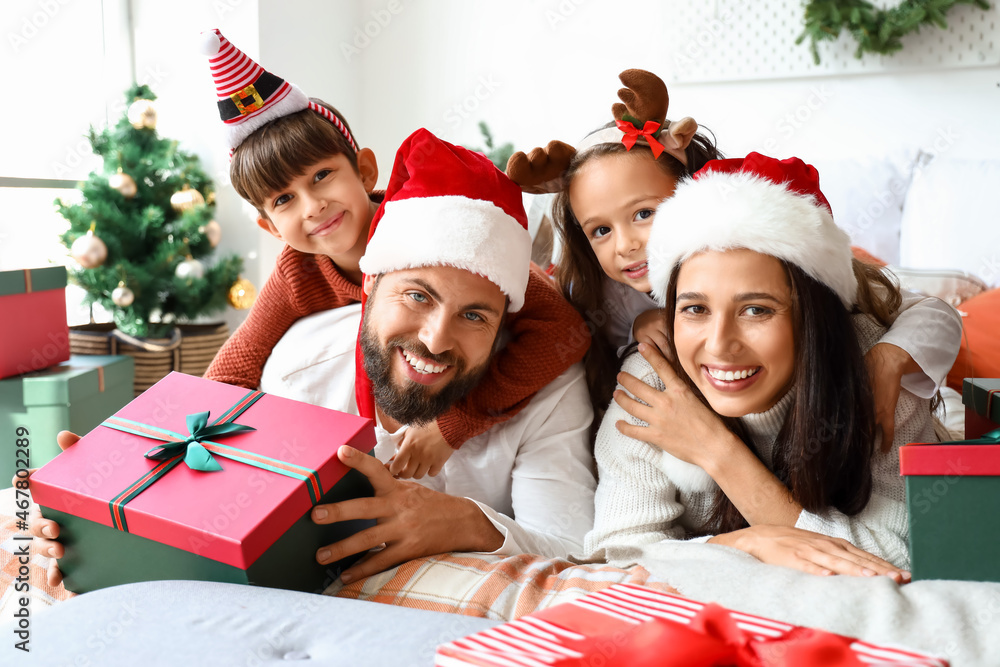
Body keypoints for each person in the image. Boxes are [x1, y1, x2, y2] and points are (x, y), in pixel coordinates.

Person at [30, 129, 597, 588]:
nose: (435, 338)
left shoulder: (548, 377)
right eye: (416, 295)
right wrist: (124, 472)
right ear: (368, 285)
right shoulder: (297, 365)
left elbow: (575, 551)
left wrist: (464, 519)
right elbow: (220, 405)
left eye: (475, 315)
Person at [198, 29, 589, 479]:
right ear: (269, 227)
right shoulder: (296, 272)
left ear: (365, 170)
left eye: (322, 176)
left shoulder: (435, 228)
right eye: (284, 200)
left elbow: (565, 329)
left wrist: (454, 424)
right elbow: (232, 370)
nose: (312, 207)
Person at [506, 69, 961, 445]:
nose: (625, 244)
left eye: (644, 213)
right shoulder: (606, 295)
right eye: (600, 230)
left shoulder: (773, 256)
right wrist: (634, 327)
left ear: (698, 193)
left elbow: (936, 312)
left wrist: (889, 356)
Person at [585, 153, 946, 581]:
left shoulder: (877, 374)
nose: (719, 345)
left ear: (814, 318)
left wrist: (717, 452)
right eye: (695, 308)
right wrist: (747, 542)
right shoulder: (649, 389)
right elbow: (621, 556)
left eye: (756, 310)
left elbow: (907, 553)